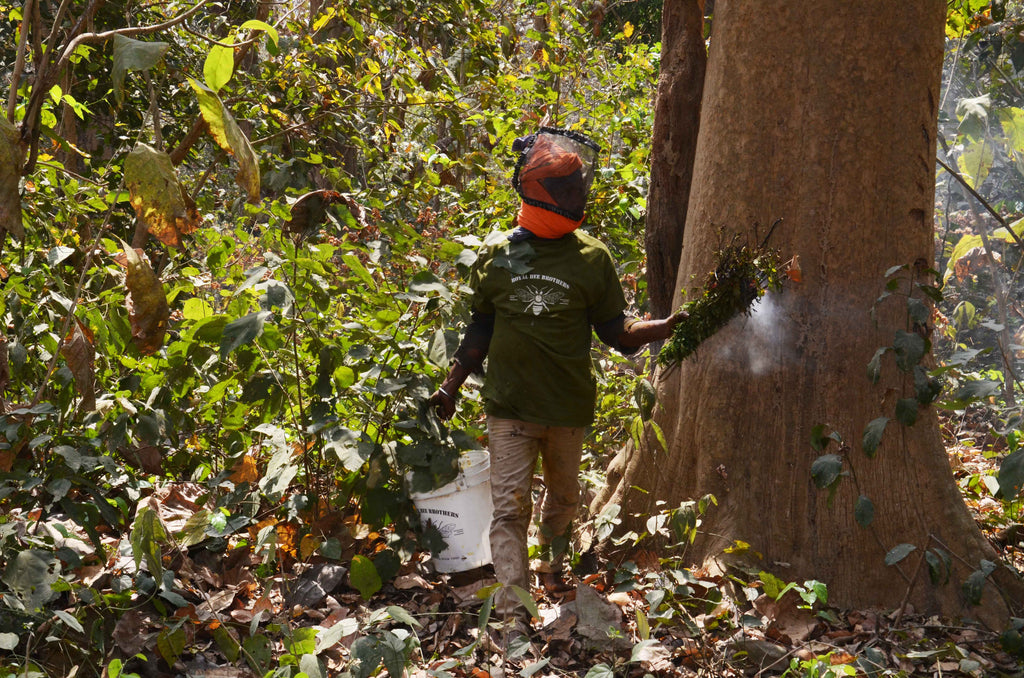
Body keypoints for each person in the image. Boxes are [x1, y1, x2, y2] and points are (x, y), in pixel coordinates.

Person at [428, 127, 683, 636]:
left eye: (577, 185)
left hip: (567, 409)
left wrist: (668, 325)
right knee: (509, 510)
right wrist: (451, 385)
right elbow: (480, 329)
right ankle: (514, 612)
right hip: (509, 409)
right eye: (566, 188)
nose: (578, 195)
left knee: (564, 499)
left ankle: (553, 566)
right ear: (541, 193)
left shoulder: (592, 257)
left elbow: (618, 332)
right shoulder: (499, 255)